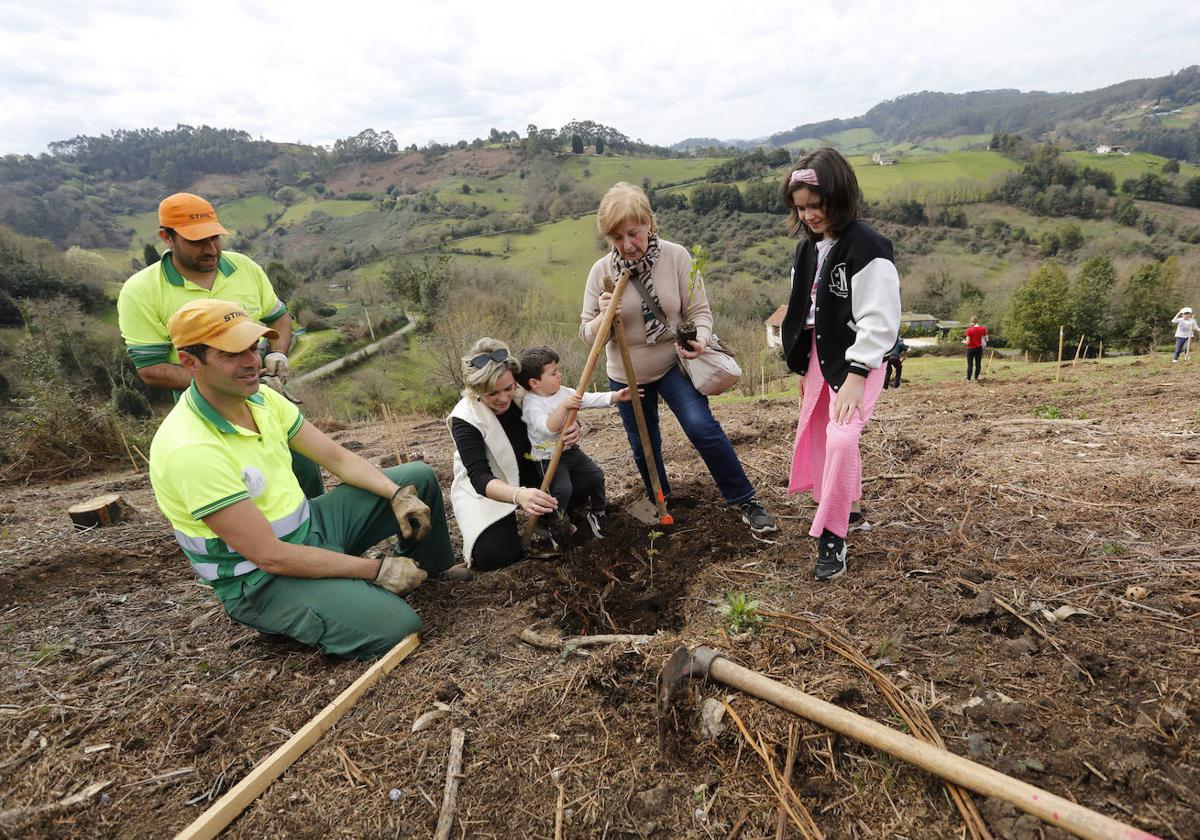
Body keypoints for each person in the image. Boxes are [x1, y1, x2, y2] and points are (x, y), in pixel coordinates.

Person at [148, 299, 456, 660]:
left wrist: (396, 494)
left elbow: (337, 458)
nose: (251, 362)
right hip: (264, 579)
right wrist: (377, 570)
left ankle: (427, 572)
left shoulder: (260, 399)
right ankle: (316, 607)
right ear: (190, 362)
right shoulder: (191, 449)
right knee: (398, 628)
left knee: (415, 479)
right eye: (230, 354)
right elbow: (271, 556)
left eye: (253, 347)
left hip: (312, 528)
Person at [579, 182, 777, 534]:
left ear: (649, 224)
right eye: (617, 238)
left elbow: (699, 311)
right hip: (627, 375)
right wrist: (601, 318)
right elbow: (586, 334)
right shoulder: (601, 273)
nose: (627, 245)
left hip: (672, 364)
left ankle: (745, 499)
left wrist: (700, 339)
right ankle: (660, 500)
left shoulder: (676, 257)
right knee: (644, 445)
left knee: (702, 427)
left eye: (633, 233)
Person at [118, 192, 323, 499]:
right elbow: (151, 369)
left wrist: (277, 352)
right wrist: (228, 382)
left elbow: (279, 317)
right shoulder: (142, 291)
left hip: (265, 396)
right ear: (167, 237)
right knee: (247, 486)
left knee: (303, 469)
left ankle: (317, 537)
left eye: (215, 237)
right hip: (208, 408)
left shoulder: (244, 268)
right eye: (196, 241)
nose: (211, 248)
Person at [780, 148, 901, 581]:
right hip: (820, 357)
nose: (809, 215)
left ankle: (833, 535)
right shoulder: (808, 249)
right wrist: (804, 366)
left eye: (816, 205)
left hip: (857, 364)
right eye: (801, 208)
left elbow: (880, 320)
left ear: (840, 195)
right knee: (819, 432)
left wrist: (855, 376)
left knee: (842, 439)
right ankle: (848, 513)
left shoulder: (867, 246)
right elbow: (807, 309)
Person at [447, 338, 580, 571]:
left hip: (533, 467)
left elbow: (557, 412)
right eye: (491, 394)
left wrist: (573, 427)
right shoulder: (465, 418)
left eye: (508, 388)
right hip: (492, 486)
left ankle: (544, 520)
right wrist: (519, 495)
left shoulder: (526, 392)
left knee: (581, 487)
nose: (503, 398)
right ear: (475, 390)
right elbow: (479, 477)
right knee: (494, 555)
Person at [516, 345, 635, 540]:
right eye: (553, 373)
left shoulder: (563, 392)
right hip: (548, 458)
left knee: (596, 475)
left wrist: (615, 396)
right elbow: (548, 427)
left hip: (571, 451)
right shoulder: (532, 404)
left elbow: (586, 399)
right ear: (535, 383)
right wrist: (564, 407)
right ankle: (558, 524)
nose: (560, 375)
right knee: (563, 489)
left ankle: (598, 513)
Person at [964, 316, 988, 381]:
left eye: (970, 322)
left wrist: (963, 341)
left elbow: (967, 342)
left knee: (970, 364)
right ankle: (976, 378)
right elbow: (987, 339)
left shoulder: (969, 330)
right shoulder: (983, 329)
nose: (970, 323)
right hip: (979, 348)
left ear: (973, 322)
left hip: (970, 349)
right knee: (978, 364)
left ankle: (968, 379)